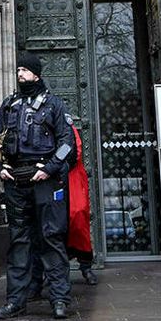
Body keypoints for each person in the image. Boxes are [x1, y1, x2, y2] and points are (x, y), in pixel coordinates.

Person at [0, 52, 79, 320]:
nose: (20, 75)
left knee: (51, 239)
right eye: (18, 70)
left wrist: (49, 169)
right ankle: (16, 301)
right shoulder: (9, 105)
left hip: (45, 181)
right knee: (19, 242)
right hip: (16, 181)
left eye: (25, 71)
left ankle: (59, 299)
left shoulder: (53, 105)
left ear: (36, 74)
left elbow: (67, 144)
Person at [69, 122, 97, 285]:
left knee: (78, 216)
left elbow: (76, 150)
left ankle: (86, 266)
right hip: (50, 177)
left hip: (71, 176)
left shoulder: (66, 123)